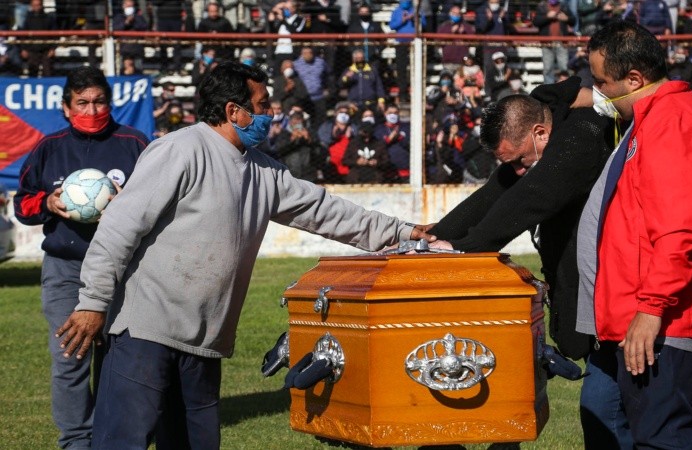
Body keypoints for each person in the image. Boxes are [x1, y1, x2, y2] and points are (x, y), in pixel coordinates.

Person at [54, 61, 434, 448]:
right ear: (234, 111)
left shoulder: (264, 172)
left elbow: (327, 212)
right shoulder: (179, 150)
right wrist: (93, 303)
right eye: (263, 104)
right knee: (122, 442)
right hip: (143, 333)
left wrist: (403, 232)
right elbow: (118, 229)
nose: (271, 114)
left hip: (204, 341)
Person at [576, 21, 692, 449]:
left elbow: (680, 230)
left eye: (603, 83)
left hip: (665, 322)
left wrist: (651, 307)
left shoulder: (673, 121)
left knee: (665, 440)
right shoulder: (653, 119)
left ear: (635, 79)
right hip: (650, 318)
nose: (599, 92)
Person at [12, 66, 149, 450]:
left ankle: (110, 435)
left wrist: (130, 203)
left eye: (99, 101)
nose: (92, 110)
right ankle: (76, 440)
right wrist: (49, 202)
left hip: (123, 269)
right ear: (66, 108)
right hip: (65, 269)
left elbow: (161, 202)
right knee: (70, 353)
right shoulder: (49, 147)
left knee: (116, 358)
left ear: (110, 102)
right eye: (83, 103)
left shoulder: (135, 143)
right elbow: (21, 204)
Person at [428, 80, 614, 361]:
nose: (517, 171)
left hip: (608, 289)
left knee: (606, 391)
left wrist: (464, 249)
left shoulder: (582, 134)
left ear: (540, 133)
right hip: (583, 285)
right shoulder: (544, 132)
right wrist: (431, 238)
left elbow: (532, 196)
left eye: (519, 160)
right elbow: (492, 193)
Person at [533, 0, 577, 85]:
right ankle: (548, 89)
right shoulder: (542, 7)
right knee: (548, 68)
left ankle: (565, 88)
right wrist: (547, 17)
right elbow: (536, 22)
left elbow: (574, 21)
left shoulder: (564, 6)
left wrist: (566, 18)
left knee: (564, 68)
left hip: (562, 42)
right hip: (547, 43)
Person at [389, 0, 425, 102]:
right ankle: (403, 93)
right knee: (401, 69)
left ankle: (417, 92)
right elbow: (392, 26)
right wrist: (403, 20)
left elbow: (424, 24)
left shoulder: (417, 11)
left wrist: (415, 19)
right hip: (401, 43)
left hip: (415, 44)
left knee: (417, 68)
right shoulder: (396, 11)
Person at [294, 45, 331, 130]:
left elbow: (329, 75)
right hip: (303, 98)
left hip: (319, 96)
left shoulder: (320, 62)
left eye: (309, 53)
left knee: (321, 120)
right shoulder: (296, 64)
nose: (307, 55)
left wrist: (327, 88)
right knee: (305, 120)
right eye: (304, 53)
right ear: (301, 54)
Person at [340, 48, 386, 113]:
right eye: (357, 58)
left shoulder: (372, 70)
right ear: (353, 59)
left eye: (361, 58)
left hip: (370, 104)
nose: (359, 60)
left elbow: (379, 86)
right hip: (353, 104)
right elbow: (340, 85)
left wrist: (381, 100)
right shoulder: (348, 70)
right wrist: (346, 78)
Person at [18, 0, 55, 77]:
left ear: (42, 5)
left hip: (46, 49)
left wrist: (53, 48)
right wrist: (23, 48)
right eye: (34, 5)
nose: (36, 7)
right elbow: (23, 35)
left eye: (38, 5)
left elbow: (54, 34)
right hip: (32, 49)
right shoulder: (28, 18)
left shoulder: (48, 18)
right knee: (32, 72)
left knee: (48, 72)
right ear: (31, 6)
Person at [375, 104, 411, 183]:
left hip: (404, 169)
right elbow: (377, 147)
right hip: (387, 170)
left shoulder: (406, 127)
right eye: (390, 113)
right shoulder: (379, 129)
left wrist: (400, 138)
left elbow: (409, 144)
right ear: (385, 114)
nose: (393, 115)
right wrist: (389, 139)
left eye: (395, 113)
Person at [436, 5, 476, 74]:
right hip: (448, 61)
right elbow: (437, 40)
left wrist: (464, 34)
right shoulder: (444, 26)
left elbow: (473, 40)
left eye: (458, 14)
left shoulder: (466, 27)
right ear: (450, 13)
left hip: (463, 61)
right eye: (454, 13)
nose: (456, 15)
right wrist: (450, 32)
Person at [113, 0, 149, 74]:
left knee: (138, 70)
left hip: (137, 49)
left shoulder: (138, 17)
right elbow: (115, 29)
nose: (130, 8)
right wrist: (126, 23)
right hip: (123, 49)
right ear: (123, 6)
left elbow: (144, 27)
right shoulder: (119, 17)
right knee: (122, 71)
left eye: (131, 6)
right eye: (128, 6)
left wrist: (133, 21)